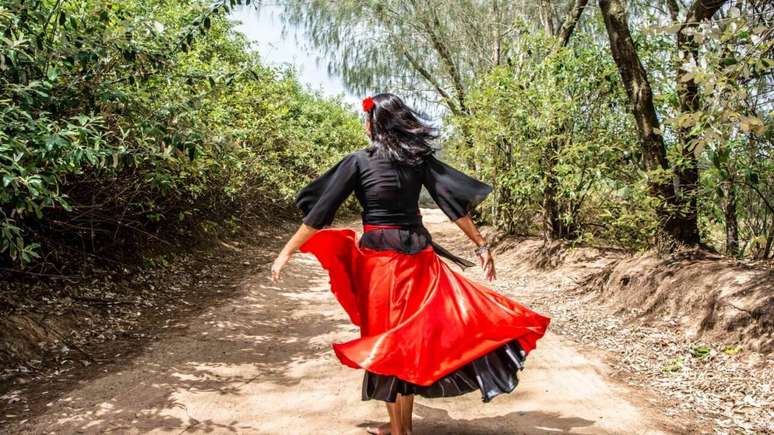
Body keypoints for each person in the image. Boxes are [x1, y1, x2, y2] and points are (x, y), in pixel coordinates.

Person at [270, 93, 550, 435]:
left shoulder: (358, 161)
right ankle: (401, 427)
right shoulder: (418, 159)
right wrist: (481, 244)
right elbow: (452, 204)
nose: (365, 124)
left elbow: (319, 214)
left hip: (380, 264)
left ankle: (400, 429)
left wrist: (287, 251)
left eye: (367, 119)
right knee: (408, 340)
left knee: (388, 341)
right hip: (419, 258)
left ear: (375, 124)